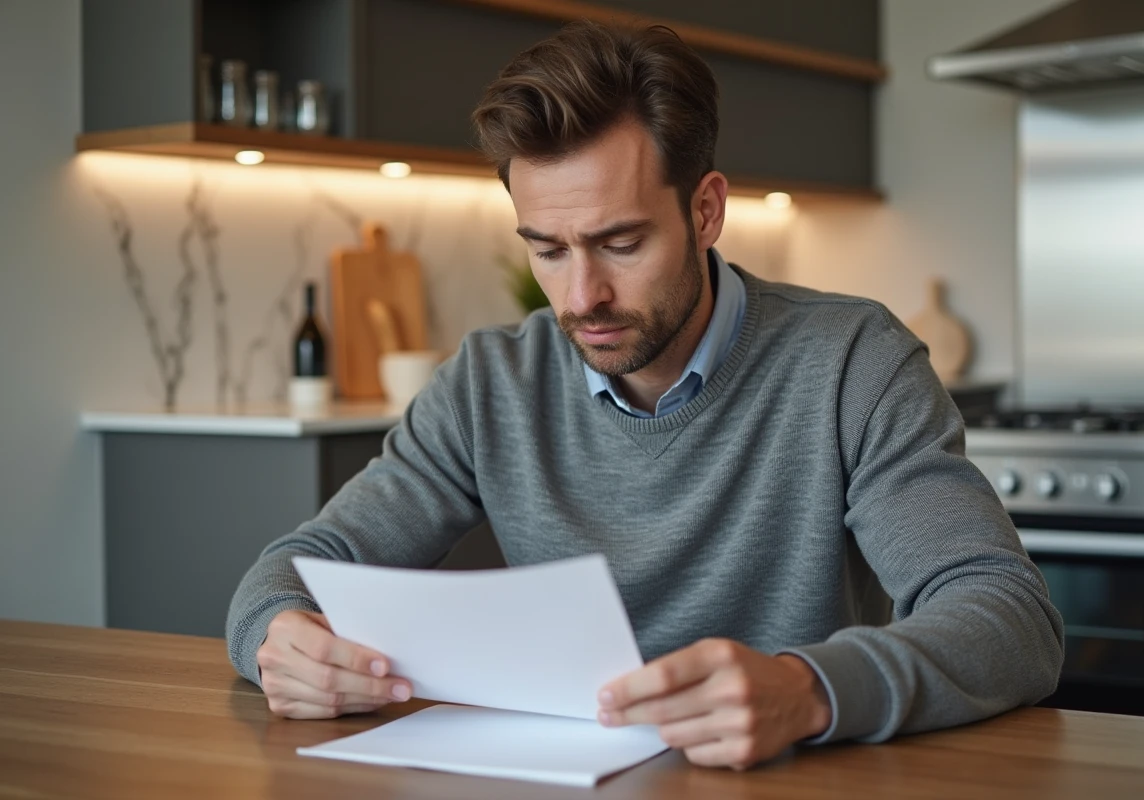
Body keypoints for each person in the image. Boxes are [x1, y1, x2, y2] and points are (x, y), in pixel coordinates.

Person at [227, 20, 1063, 771]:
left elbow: (1008, 616)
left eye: (619, 242)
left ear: (705, 212)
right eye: (546, 250)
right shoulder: (490, 385)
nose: (580, 294)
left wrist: (807, 688)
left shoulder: (852, 362)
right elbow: (293, 573)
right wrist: (278, 638)